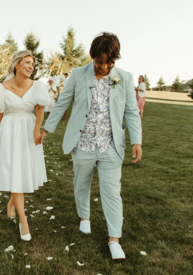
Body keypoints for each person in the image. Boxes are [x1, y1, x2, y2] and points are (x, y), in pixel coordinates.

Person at [40, 32, 142, 259]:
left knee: (112, 192)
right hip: (82, 143)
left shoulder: (124, 77)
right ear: (92, 56)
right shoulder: (77, 74)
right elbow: (61, 104)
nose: (104, 67)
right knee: (81, 184)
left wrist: (137, 141)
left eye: (109, 62)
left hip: (111, 145)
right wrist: (47, 129)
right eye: (99, 62)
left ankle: (114, 238)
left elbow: (132, 112)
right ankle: (84, 217)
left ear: (116, 59)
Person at [0, 51, 50, 241]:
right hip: (9, 131)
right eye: (27, 62)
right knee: (14, 171)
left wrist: (37, 129)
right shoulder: (0, 89)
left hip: (28, 131)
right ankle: (24, 221)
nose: (31, 67)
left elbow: (40, 109)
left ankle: (12, 203)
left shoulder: (37, 87)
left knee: (23, 171)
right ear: (16, 65)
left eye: (33, 64)